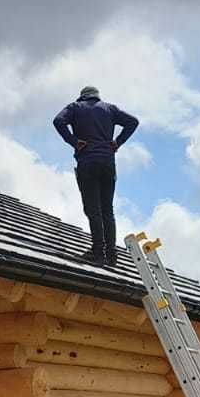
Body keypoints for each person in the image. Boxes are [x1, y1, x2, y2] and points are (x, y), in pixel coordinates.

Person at [53, 85, 138, 265]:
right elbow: (133, 122)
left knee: (93, 209)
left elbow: (58, 121)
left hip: (88, 162)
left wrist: (74, 142)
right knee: (107, 209)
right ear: (97, 97)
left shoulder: (75, 108)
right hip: (108, 163)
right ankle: (112, 255)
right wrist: (118, 142)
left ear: (82, 97)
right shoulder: (110, 109)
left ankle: (98, 252)